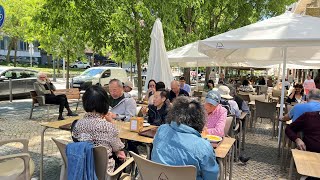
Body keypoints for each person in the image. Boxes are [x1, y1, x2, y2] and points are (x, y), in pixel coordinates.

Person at [152, 96, 219, 180]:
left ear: (173, 113)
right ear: (200, 118)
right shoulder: (203, 146)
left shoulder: (161, 130)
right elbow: (211, 177)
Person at [72, 85, 126, 173]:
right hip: (105, 172)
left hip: (84, 168)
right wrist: (111, 122)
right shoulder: (108, 127)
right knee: (123, 155)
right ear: (105, 104)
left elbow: (78, 141)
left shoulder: (77, 124)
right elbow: (118, 148)